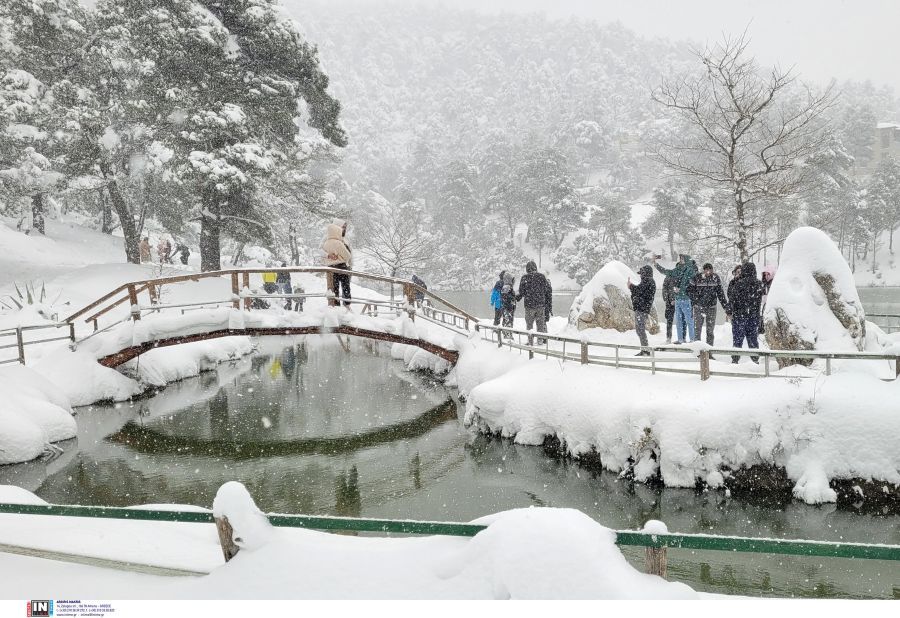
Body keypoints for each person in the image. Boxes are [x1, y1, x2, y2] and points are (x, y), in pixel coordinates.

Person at [653, 253, 698, 344]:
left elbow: (692, 285)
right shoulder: (677, 270)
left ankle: (692, 339)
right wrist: (656, 264)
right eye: (680, 258)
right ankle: (680, 339)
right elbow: (666, 271)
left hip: (686, 299)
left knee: (689, 320)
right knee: (679, 320)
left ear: (687, 260)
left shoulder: (691, 271)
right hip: (677, 299)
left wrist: (681, 289)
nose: (680, 260)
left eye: (682, 259)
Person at [726, 262, 765, 364]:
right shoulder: (759, 284)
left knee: (738, 340)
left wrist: (729, 311)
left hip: (739, 316)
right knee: (753, 340)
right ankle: (755, 360)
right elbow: (762, 300)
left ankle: (735, 360)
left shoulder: (739, 284)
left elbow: (732, 300)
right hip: (753, 316)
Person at [687, 262, 729, 347]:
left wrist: (726, 306)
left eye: (710, 270)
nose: (708, 272)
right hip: (699, 307)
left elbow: (720, 293)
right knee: (697, 329)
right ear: (703, 270)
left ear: (712, 270)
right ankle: (698, 351)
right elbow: (688, 290)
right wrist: (695, 300)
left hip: (711, 308)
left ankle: (709, 350)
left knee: (710, 330)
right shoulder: (697, 278)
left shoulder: (715, 278)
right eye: (706, 270)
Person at [516, 260, 551, 343]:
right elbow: (547, 290)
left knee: (529, 324)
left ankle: (530, 341)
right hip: (540, 305)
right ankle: (540, 340)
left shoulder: (525, 278)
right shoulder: (542, 277)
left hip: (529, 306)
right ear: (535, 268)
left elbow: (521, 292)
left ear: (527, 269)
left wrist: (516, 298)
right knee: (540, 325)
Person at [322, 220, 352, 307]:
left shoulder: (326, 243)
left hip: (331, 268)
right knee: (345, 287)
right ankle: (346, 304)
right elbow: (347, 256)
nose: (344, 229)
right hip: (341, 267)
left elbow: (322, 255)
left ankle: (336, 304)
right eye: (343, 227)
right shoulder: (338, 242)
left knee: (334, 288)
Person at [628, 265, 656, 356]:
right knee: (639, 329)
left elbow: (639, 291)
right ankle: (645, 349)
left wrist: (631, 286)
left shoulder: (649, 281)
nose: (640, 276)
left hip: (642, 309)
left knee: (640, 329)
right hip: (640, 308)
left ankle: (645, 350)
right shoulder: (646, 281)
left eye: (642, 274)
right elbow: (639, 292)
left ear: (646, 273)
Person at [759, 266, 776, 334]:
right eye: (764, 274)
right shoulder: (764, 284)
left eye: (768, 274)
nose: (766, 276)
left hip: (770, 305)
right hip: (764, 305)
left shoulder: (774, 283)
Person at [500, 271, 516, 338]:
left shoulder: (506, 287)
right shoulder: (507, 287)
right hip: (508, 308)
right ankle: (508, 336)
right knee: (508, 321)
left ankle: (507, 335)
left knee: (506, 321)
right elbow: (506, 297)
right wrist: (512, 300)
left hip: (506, 308)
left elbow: (504, 297)